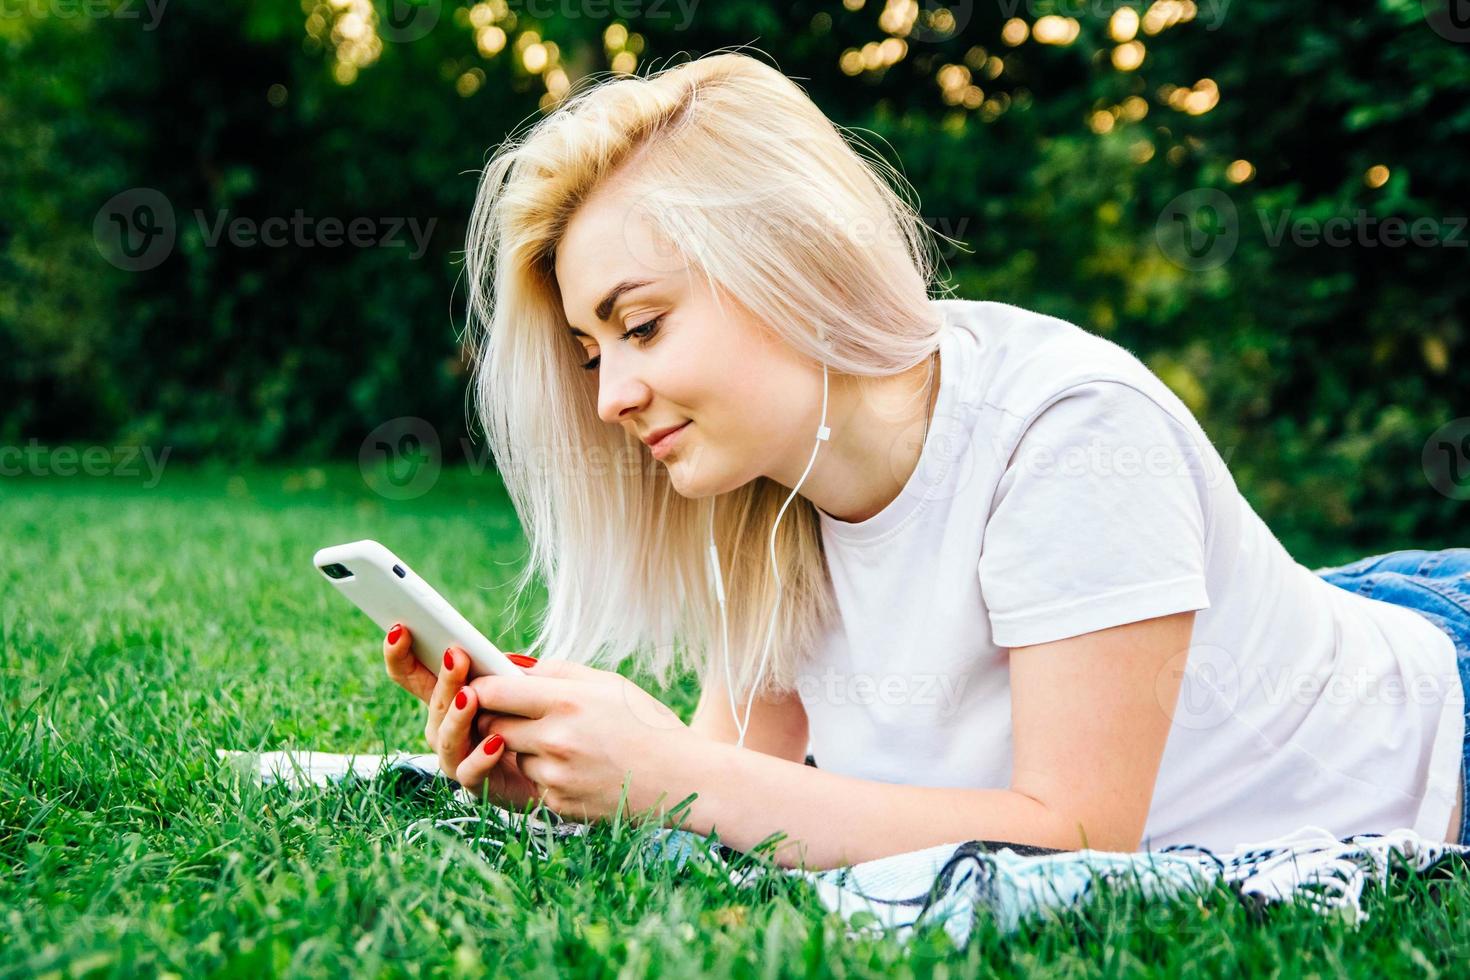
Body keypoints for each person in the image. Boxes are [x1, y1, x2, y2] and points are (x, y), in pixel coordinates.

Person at [380, 50, 1470, 870]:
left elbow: (1079, 840)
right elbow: (730, 802)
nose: (611, 395)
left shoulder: (1070, 431)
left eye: (644, 325)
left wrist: (680, 773)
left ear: (787, 263)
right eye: (589, 351)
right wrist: (583, 779)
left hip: (1437, 700)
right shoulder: (759, 492)